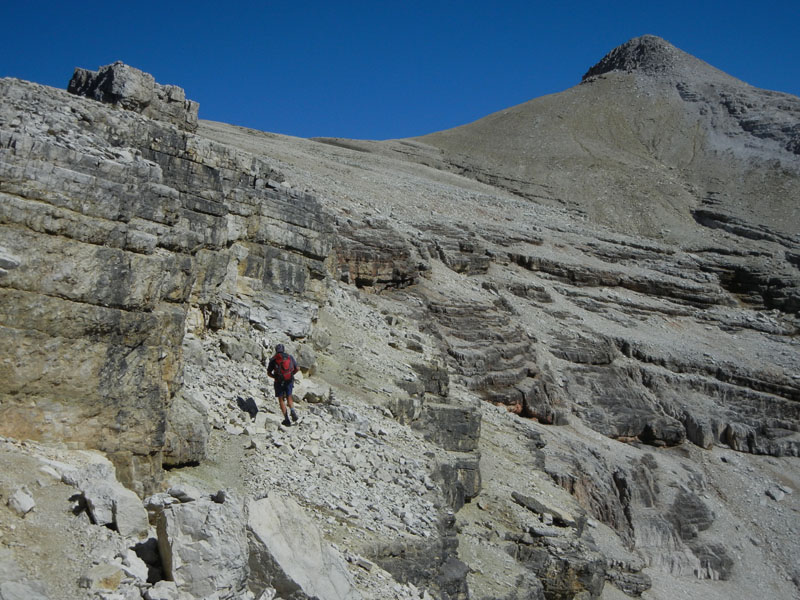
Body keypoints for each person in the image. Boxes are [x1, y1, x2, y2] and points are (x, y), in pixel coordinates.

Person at [267, 343, 299, 426]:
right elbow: (297, 368)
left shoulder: (273, 359)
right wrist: (291, 374)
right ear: (283, 350)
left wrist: (275, 377)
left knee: (281, 399)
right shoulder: (289, 357)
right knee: (289, 396)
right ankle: (292, 410)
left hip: (278, 381)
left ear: (276, 350)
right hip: (289, 379)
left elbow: (269, 373)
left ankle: (287, 419)